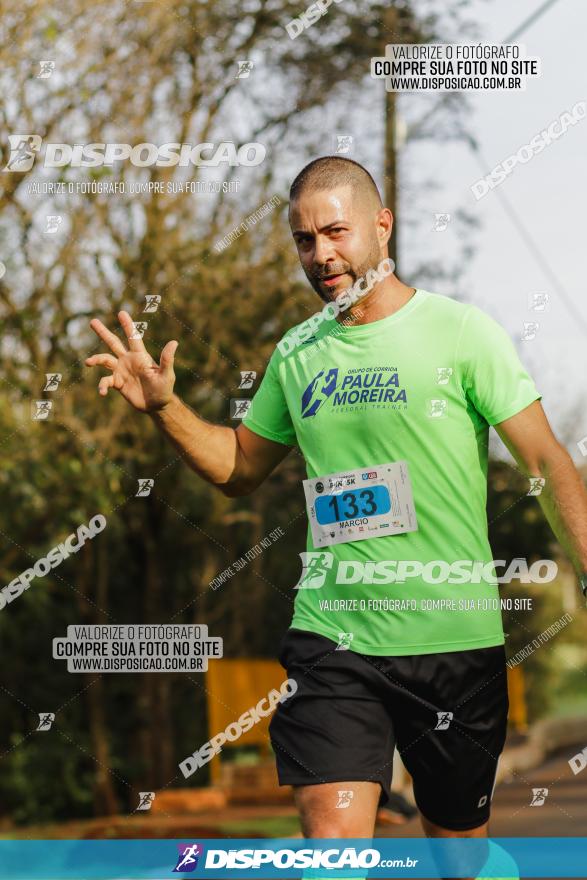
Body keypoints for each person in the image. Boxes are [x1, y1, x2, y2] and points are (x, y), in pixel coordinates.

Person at [86, 156, 587, 879]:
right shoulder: (297, 354)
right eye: (302, 240)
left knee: (459, 857)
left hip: (454, 639)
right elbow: (238, 467)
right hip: (334, 636)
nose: (319, 253)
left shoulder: (460, 334)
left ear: (382, 227)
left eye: (335, 231)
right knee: (332, 852)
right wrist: (166, 407)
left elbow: (545, 463)